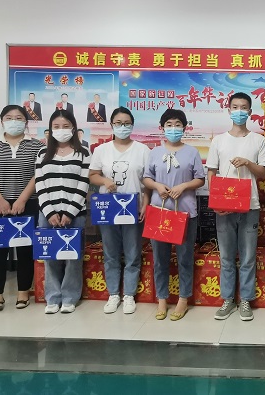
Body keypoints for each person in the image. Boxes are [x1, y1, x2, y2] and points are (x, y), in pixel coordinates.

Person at [205, 92, 265, 321]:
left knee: (248, 256)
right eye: (235, 107)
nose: (239, 111)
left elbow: (263, 174)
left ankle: (246, 300)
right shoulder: (219, 140)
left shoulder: (258, 140)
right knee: (227, 257)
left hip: (250, 206)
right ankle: (228, 299)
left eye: (243, 107)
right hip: (224, 208)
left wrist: (248, 163)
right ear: (228, 110)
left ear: (250, 112)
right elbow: (211, 172)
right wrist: (215, 201)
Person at [143, 109, 205, 321]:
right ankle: (162, 299)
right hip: (159, 212)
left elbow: (200, 179)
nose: (173, 128)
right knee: (160, 259)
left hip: (185, 213)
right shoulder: (154, 152)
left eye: (177, 124)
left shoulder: (192, 152)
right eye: (169, 125)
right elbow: (146, 178)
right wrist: (157, 186)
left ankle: (183, 299)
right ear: (162, 128)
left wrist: (184, 186)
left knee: (184, 258)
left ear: (184, 128)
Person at [0, 105, 43, 311]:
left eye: (19, 118)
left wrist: (23, 199)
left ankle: (23, 292)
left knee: (26, 248)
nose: (14, 121)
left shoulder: (36, 146)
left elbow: (38, 175)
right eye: (9, 118)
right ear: (2, 121)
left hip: (28, 202)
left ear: (26, 122)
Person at [89, 107, 151, 315]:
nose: (122, 126)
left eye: (126, 123)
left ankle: (129, 295)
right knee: (111, 253)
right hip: (108, 208)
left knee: (133, 253)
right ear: (112, 125)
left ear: (132, 125)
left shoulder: (143, 150)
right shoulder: (102, 150)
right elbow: (93, 175)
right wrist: (105, 181)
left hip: (133, 208)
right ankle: (114, 294)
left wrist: (145, 204)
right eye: (118, 123)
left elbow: (148, 181)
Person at [35, 109, 91, 314]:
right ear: (50, 129)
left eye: (66, 126)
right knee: (50, 256)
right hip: (47, 213)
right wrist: (49, 212)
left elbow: (83, 184)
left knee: (73, 257)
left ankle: (69, 297)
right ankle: (52, 297)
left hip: (75, 213)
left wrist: (69, 212)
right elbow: (40, 184)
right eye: (56, 126)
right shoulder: (42, 153)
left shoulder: (84, 153)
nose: (61, 130)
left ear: (73, 128)